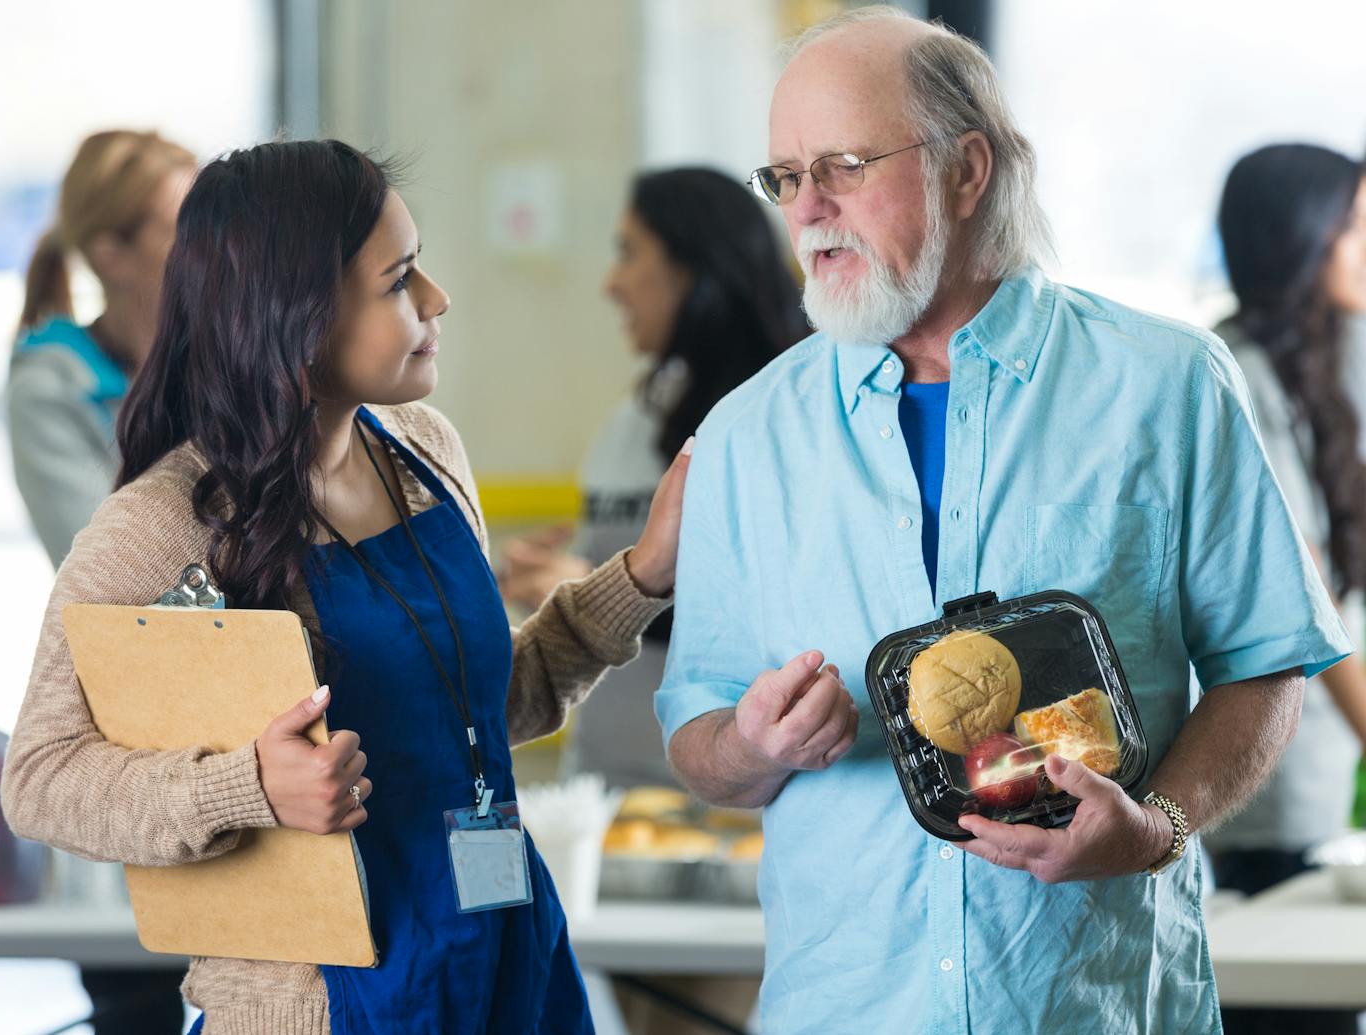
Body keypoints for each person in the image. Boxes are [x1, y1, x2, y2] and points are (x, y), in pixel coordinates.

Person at [653, 9, 1351, 1034]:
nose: (807, 210)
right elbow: (696, 729)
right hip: (843, 1011)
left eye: (841, 166)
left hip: (1097, 1007)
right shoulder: (746, 435)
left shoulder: (1163, 386)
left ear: (965, 170)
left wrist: (1153, 828)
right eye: (785, 178)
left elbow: (1264, 666)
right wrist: (753, 745)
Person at [0, 139, 688, 1035]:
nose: (436, 300)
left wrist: (643, 575)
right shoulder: (162, 523)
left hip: (502, 960)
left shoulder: (424, 452)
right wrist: (246, 787)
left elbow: (479, 708)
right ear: (298, 315)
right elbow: (40, 780)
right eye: (400, 280)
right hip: (317, 1005)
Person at [501, 167, 806, 788]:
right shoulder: (634, 416)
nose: (612, 284)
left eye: (629, 252)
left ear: (691, 266)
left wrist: (590, 587)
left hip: (734, 786)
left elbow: (790, 615)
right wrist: (542, 582)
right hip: (611, 780)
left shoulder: (780, 415)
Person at [7, 128, 197, 1035]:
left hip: (254, 736)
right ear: (111, 252)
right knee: (147, 1009)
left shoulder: (224, 365)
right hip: (127, 745)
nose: (204, 242)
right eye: (176, 222)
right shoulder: (55, 384)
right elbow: (117, 585)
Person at [1207, 143, 1366, 1035]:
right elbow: (1312, 598)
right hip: (1267, 789)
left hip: (1320, 773)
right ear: (1301, 238)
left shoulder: (1330, 356)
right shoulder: (1238, 370)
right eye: (1355, 228)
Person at [9, 129, 197, 567]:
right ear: (110, 256)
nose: (212, 250)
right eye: (183, 231)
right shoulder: (48, 389)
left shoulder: (233, 357)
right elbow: (115, 572)